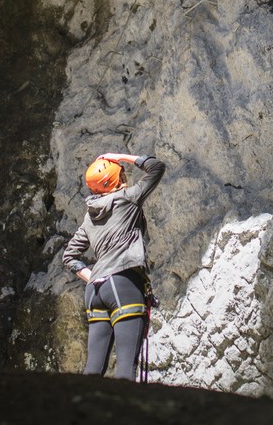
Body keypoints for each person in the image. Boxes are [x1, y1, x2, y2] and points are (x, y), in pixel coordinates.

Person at [63, 152, 166, 380]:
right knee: (125, 370)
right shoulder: (126, 198)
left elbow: (69, 256)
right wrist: (117, 156)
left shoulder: (89, 217)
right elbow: (156, 167)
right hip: (124, 283)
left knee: (93, 370)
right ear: (116, 180)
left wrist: (94, 276)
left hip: (95, 290)